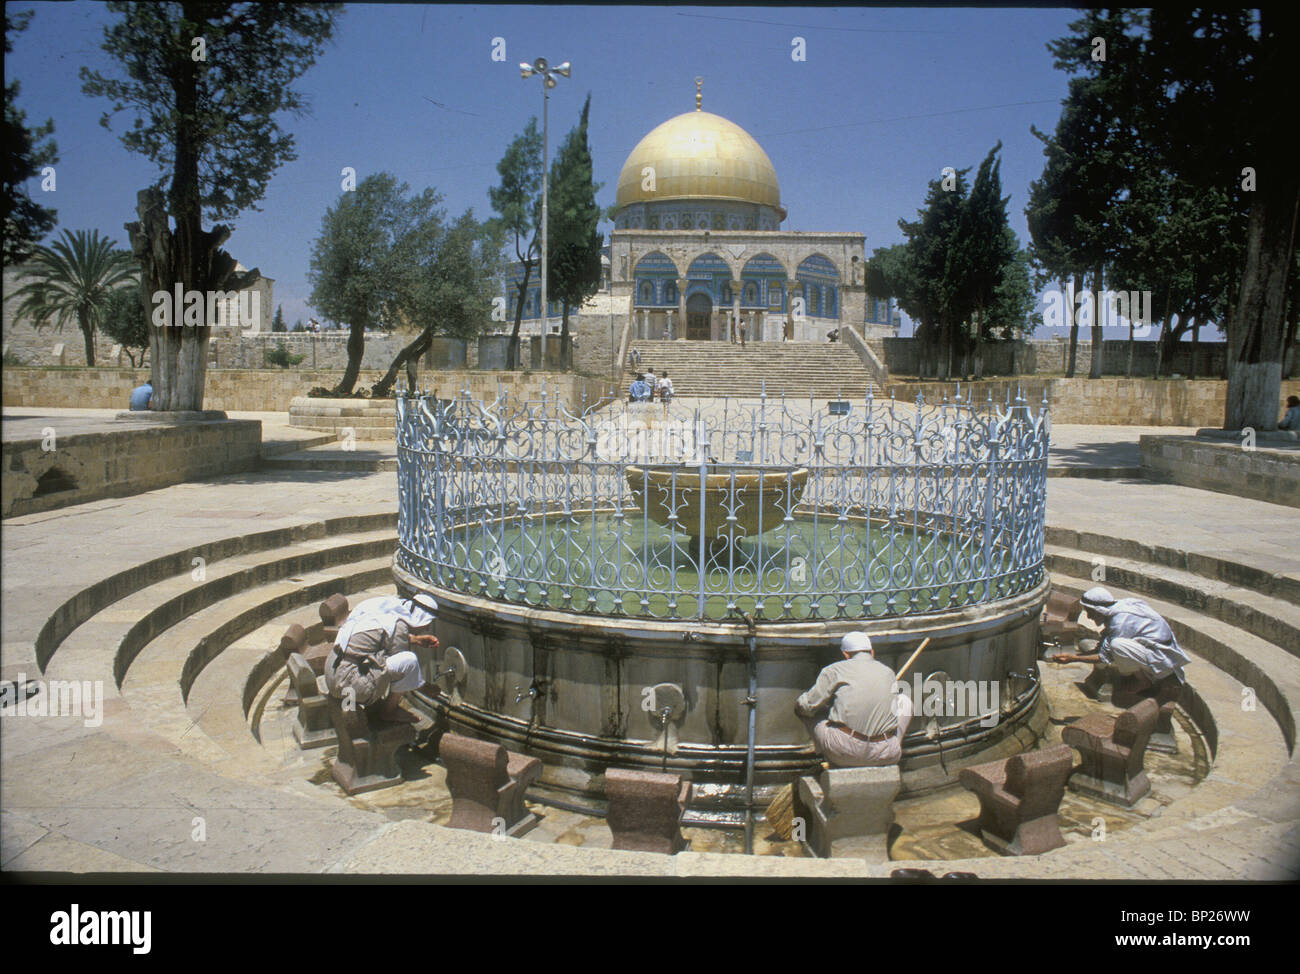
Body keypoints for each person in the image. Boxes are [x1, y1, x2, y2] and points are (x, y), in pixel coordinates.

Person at [794, 632, 912, 768]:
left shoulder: (834, 670)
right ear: (872, 652)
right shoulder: (888, 672)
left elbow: (805, 706)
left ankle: (825, 754)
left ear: (845, 654)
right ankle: (894, 744)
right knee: (904, 701)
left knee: (809, 711)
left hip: (845, 753)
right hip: (886, 754)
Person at [1050, 586, 1190, 694]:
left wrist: (1073, 658)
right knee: (1112, 642)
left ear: (1098, 610)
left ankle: (1143, 681)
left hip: (1161, 658)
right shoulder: (1120, 606)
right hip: (1157, 649)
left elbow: (1104, 658)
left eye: (1089, 612)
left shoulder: (1120, 620)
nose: (1088, 617)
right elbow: (1107, 635)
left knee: (1118, 646)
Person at [324, 593, 440, 724]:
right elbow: (402, 668)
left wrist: (414, 639)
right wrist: (424, 687)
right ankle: (389, 711)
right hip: (347, 686)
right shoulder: (399, 626)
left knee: (385, 659)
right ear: (421, 618)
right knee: (409, 661)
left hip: (332, 675)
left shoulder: (383, 612)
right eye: (428, 623)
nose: (427, 628)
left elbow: (379, 637)